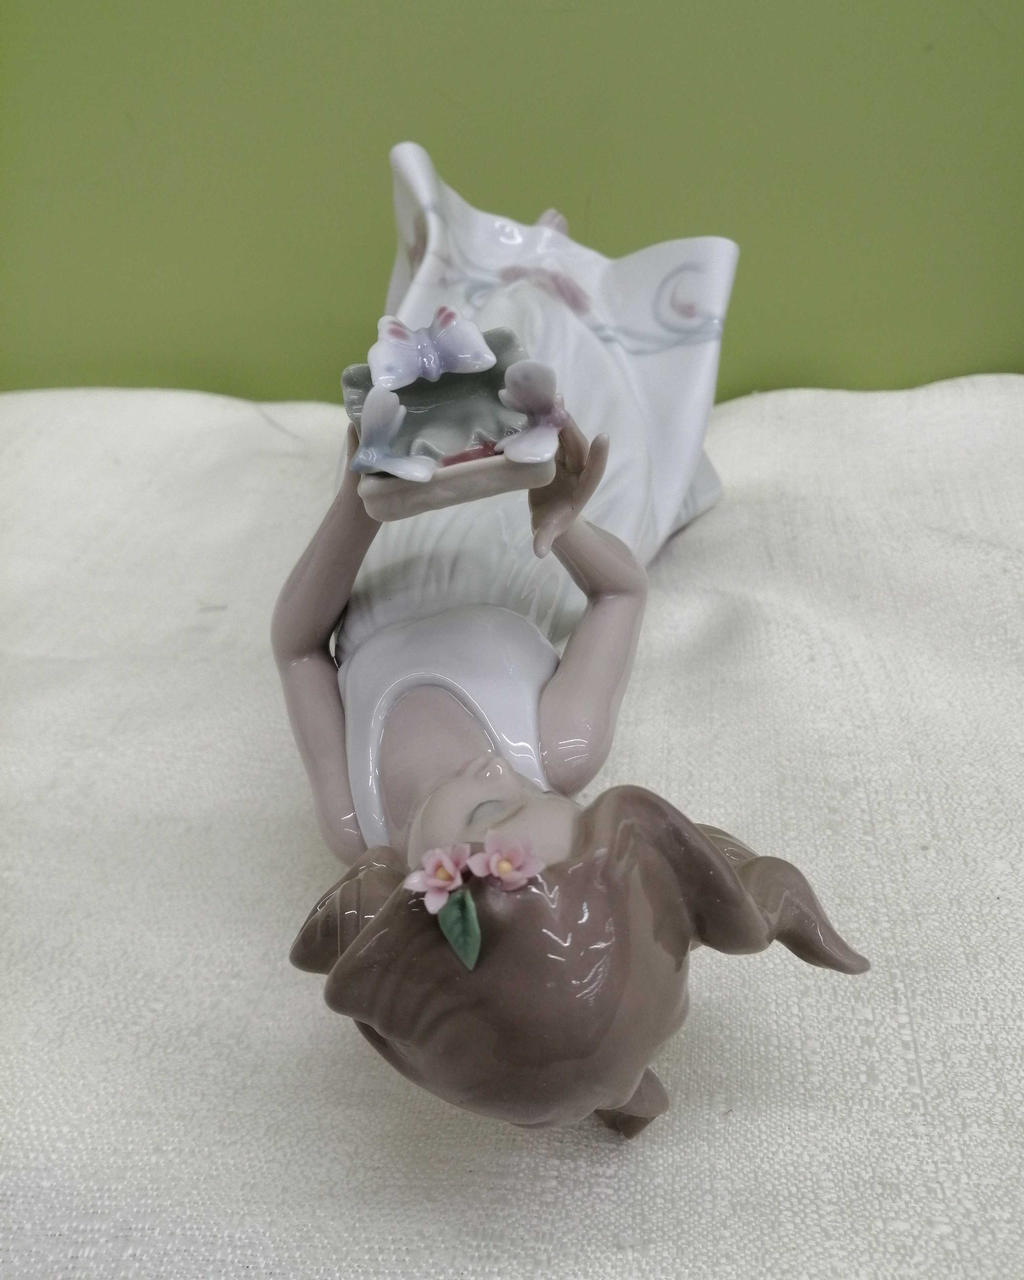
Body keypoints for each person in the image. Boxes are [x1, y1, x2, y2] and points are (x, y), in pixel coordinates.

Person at [272, 409, 869, 1137]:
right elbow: (622, 593)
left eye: (486, 811)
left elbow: (297, 647)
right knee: (576, 399)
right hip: (518, 540)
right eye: (529, 796)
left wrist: (355, 502)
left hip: (383, 542)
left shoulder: (353, 815)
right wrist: (564, 523)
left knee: (423, 380)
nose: (496, 765)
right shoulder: (561, 745)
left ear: (424, 889)